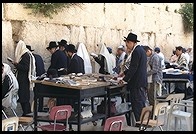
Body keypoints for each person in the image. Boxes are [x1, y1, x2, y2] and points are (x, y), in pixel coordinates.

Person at [119, 33, 147, 121]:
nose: (127, 46)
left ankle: (140, 125)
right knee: (140, 105)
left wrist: (124, 80)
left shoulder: (136, 51)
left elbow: (134, 68)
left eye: (127, 44)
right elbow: (134, 66)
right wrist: (124, 73)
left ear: (132, 43)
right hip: (141, 83)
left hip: (137, 84)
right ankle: (141, 124)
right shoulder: (141, 50)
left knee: (137, 107)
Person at [12, 40, 36, 116]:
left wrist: (16, 65)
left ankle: (27, 114)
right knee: (23, 97)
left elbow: (26, 68)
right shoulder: (24, 55)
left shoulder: (25, 55)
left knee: (24, 98)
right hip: (22, 79)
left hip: (24, 80)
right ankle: (26, 113)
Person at [143, 46, 163, 113]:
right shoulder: (151, 57)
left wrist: (145, 74)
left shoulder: (155, 57)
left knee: (152, 97)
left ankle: (154, 112)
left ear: (148, 51)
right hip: (152, 78)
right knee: (151, 96)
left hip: (155, 79)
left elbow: (155, 69)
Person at [26, 45, 45, 111]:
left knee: (36, 94)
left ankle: (36, 110)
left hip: (36, 78)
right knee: (40, 94)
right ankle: (40, 108)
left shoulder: (30, 58)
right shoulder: (38, 56)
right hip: (42, 77)